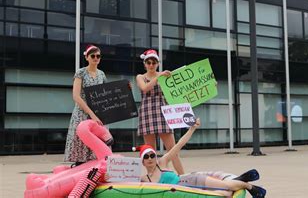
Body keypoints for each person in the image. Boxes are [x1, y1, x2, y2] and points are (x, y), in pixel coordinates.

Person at [135, 118, 266, 198]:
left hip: (189, 181)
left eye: (152, 155)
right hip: (184, 192)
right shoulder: (143, 179)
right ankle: (241, 179)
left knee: (226, 187)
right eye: (146, 157)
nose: (150, 158)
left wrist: (192, 129)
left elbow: (179, 144)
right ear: (143, 161)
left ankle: (252, 188)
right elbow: (123, 181)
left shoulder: (162, 162)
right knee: (224, 194)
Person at [136, 49, 185, 175]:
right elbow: (145, 88)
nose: (151, 65)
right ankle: (155, 177)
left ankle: (184, 177)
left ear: (158, 63)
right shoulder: (141, 77)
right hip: (147, 113)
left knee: (173, 150)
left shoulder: (164, 76)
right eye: (148, 62)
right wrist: (159, 77)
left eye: (154, 62)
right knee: (150, 152)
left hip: (163, 112)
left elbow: (181, 90)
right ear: (145, 64)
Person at [64, 44, 109, 165]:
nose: (96, 58)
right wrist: (91, 114)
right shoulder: (81, 73)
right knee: (81, 143)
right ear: (87, 57)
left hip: (98, 114)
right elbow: (76, 96)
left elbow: (106, 94)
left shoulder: (102, 74)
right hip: (82, 113)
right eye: (93, 55)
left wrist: (125, 88)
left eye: (98, 56)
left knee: (98, 145)